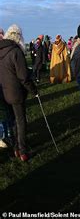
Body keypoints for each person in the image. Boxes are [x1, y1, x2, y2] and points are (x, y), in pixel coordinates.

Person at [0, 24, 37, 161]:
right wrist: (34, 90)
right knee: (20, 121)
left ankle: (16, 147)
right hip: (16, 93)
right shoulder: (16, 52)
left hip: (3, 92)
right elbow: (24, 77)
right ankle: (22, 150)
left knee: (13, 121)